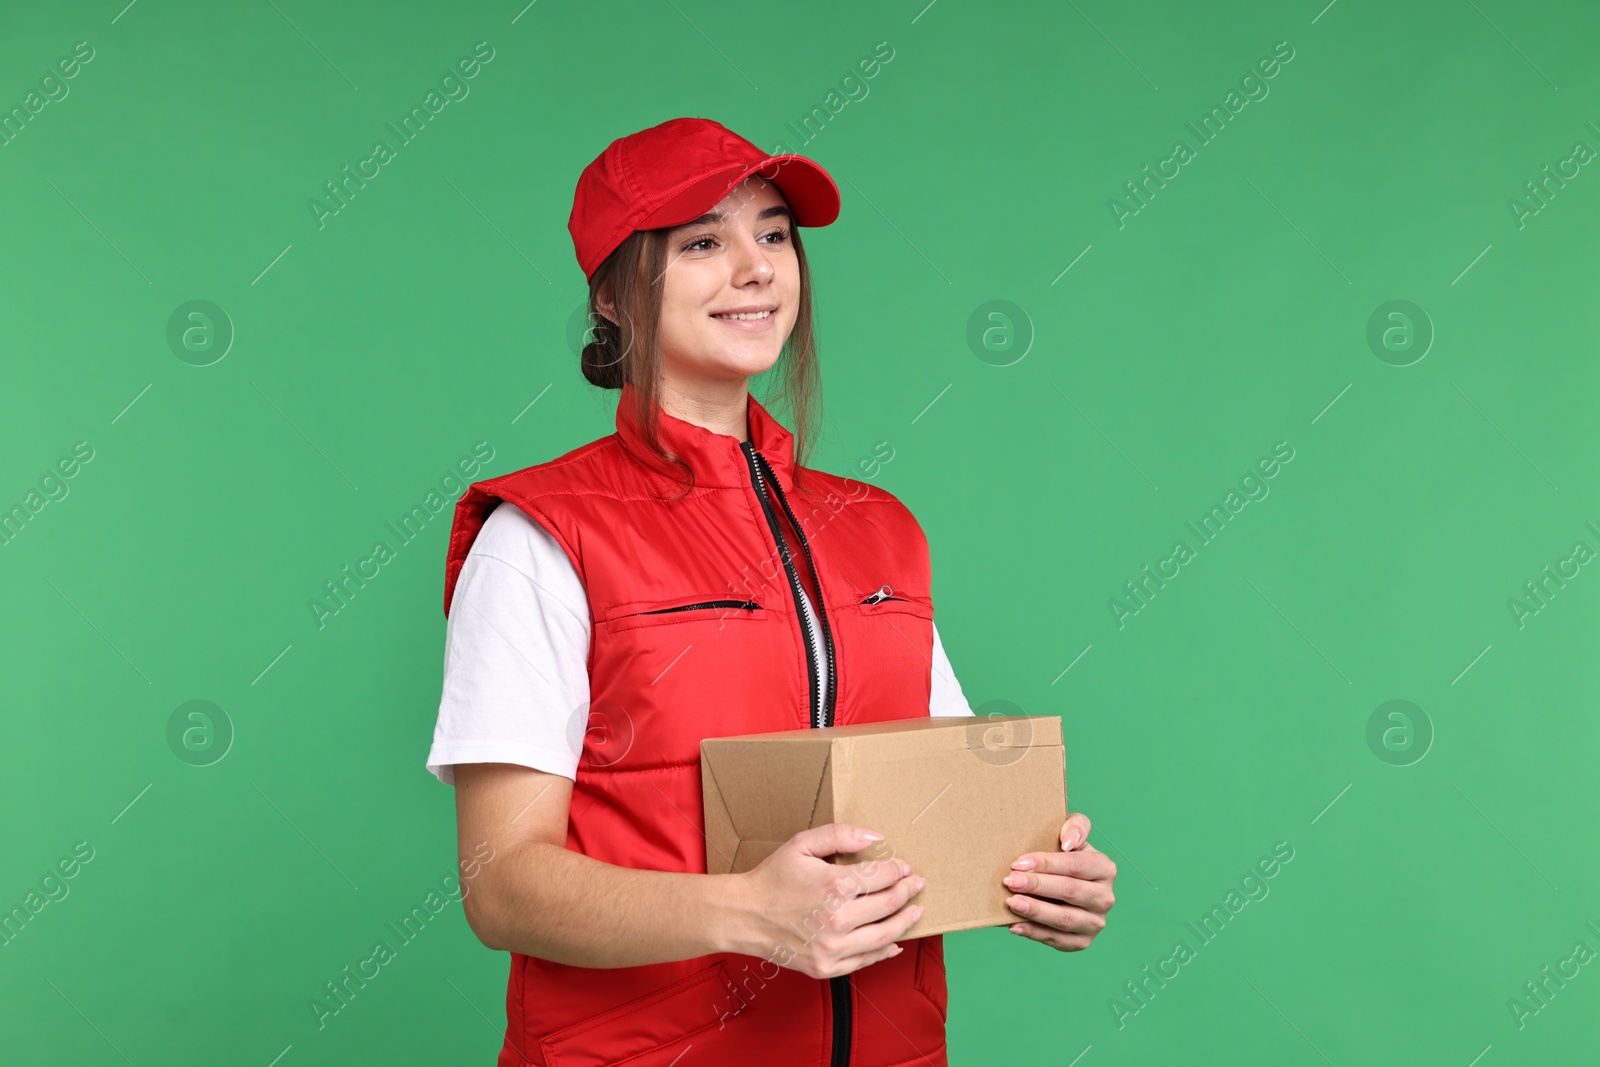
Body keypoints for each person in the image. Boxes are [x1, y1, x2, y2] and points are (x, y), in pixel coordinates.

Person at [426, 117, 1116, 1067]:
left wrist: (1041, 870)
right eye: (703, 240)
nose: (756, 268)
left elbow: (944, 806)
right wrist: (748, 911)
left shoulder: (879, 530)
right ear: (614, 297)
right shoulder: (543, 535)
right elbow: (500, 884)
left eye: (775, 233)